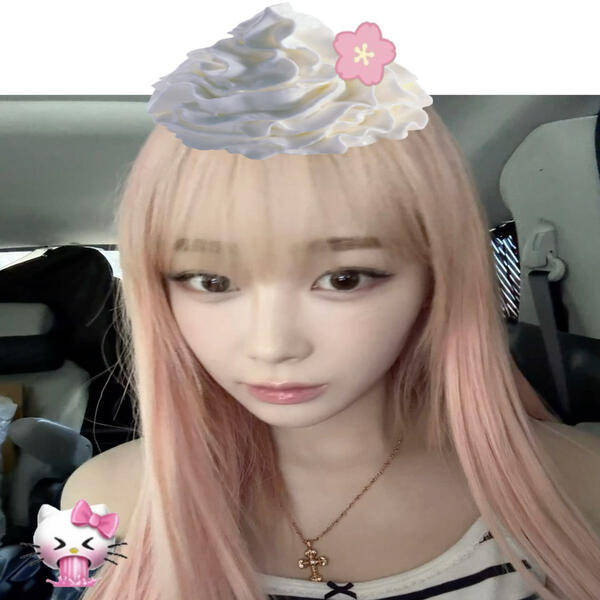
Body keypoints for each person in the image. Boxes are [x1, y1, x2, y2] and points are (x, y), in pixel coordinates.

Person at [56, 4, 600, 600]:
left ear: (436, 278)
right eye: (210, 281)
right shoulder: (104, 503)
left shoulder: (579, 484)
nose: (272, 346)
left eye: (344, 279)